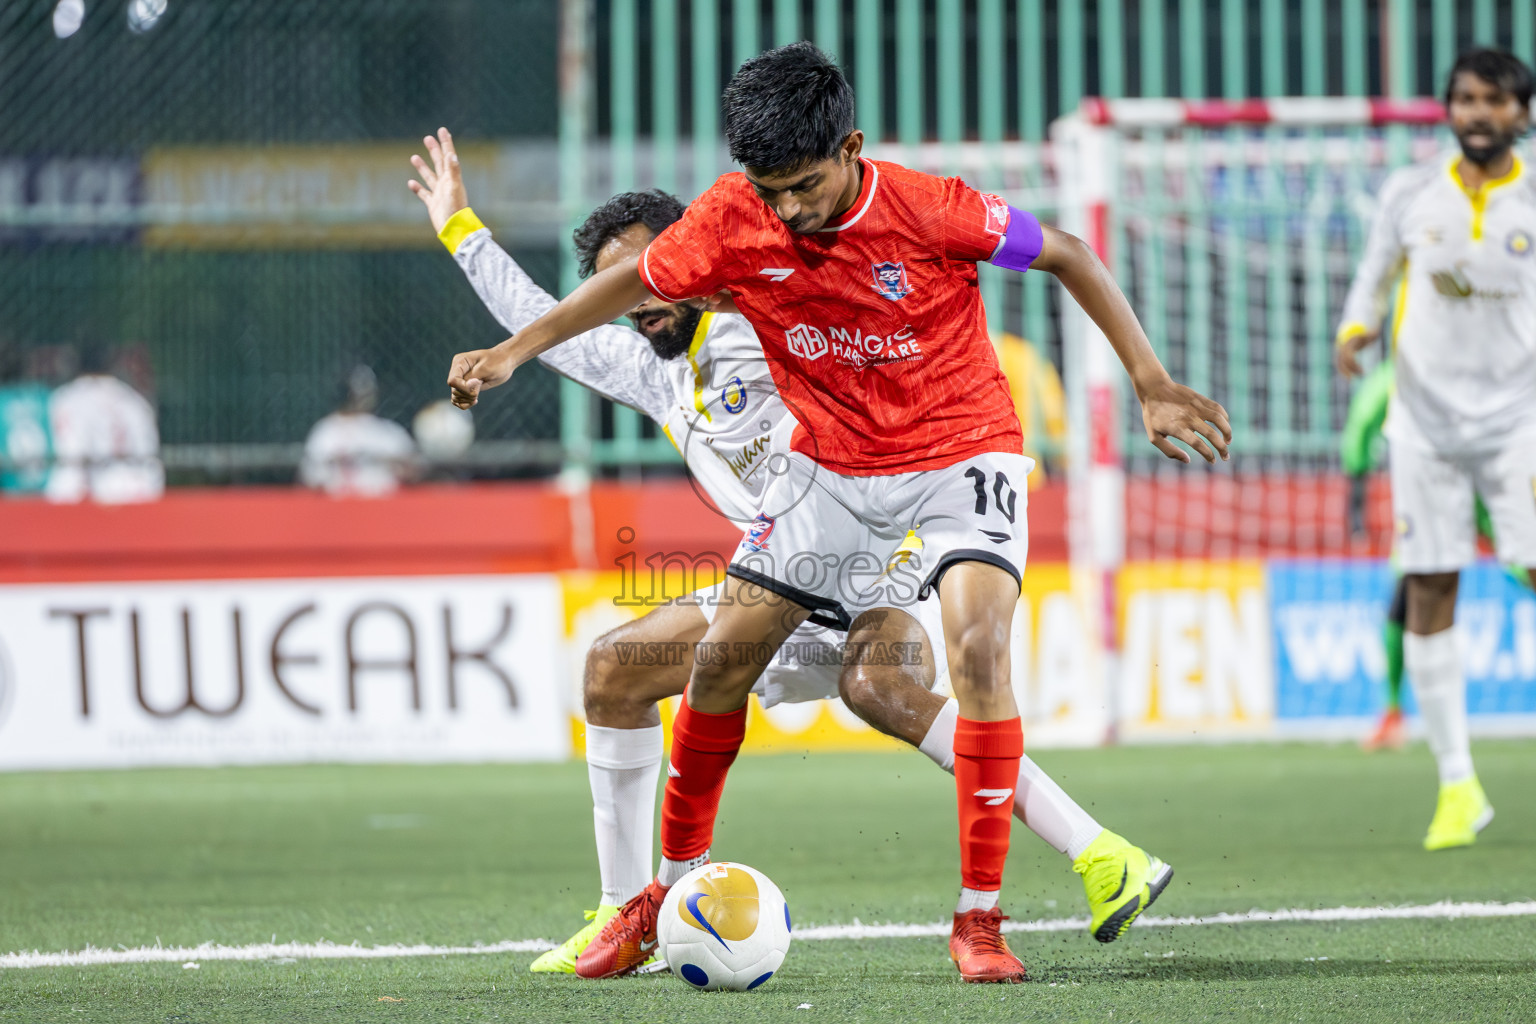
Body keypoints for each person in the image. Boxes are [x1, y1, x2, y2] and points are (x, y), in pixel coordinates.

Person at [443, 45, 1227, 983]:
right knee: (723, 660)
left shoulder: (928, 208)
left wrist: (1150, 380)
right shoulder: (727, 238)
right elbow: (629, 284)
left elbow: (1065, 252)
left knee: (972, 653)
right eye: (769, 191)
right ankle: (666, 895)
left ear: (851, 148)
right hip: (834, 472)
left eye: (805, 186)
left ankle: (980, 922)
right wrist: (514, 349)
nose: (789, 211)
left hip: (957, 450)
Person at [1336, 47, 1536, 850]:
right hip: (1421, 422)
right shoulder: (1410, 191)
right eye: (1464, 99)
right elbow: (1374, 277)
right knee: (1429, 585)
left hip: (1519, 418)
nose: (1477, 113)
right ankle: (1457, 782)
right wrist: (1356, 328)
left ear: (1522, 113)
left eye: (1493, 101)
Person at [1341, 359, 1533, 753]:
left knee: (1526, 566)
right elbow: (1361, 425)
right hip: (1433, 495)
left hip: (1490, 487)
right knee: (1404, 595)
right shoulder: (1396, 376)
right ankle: (1392, 714)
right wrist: (1356, 502)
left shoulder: (1490, 362)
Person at [46, 343, 163, 504]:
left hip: (98, 497)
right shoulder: (135, 401)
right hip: (140, 494)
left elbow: (72, 459)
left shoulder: (68, 399)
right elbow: (150, 455)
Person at [299, 365, 418, 497]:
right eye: (359, 390)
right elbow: (311, 480)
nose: (363, 397)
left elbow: (413, 471)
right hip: (336, 508)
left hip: (383, 507)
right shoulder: (326, 431)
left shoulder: (386, 431)